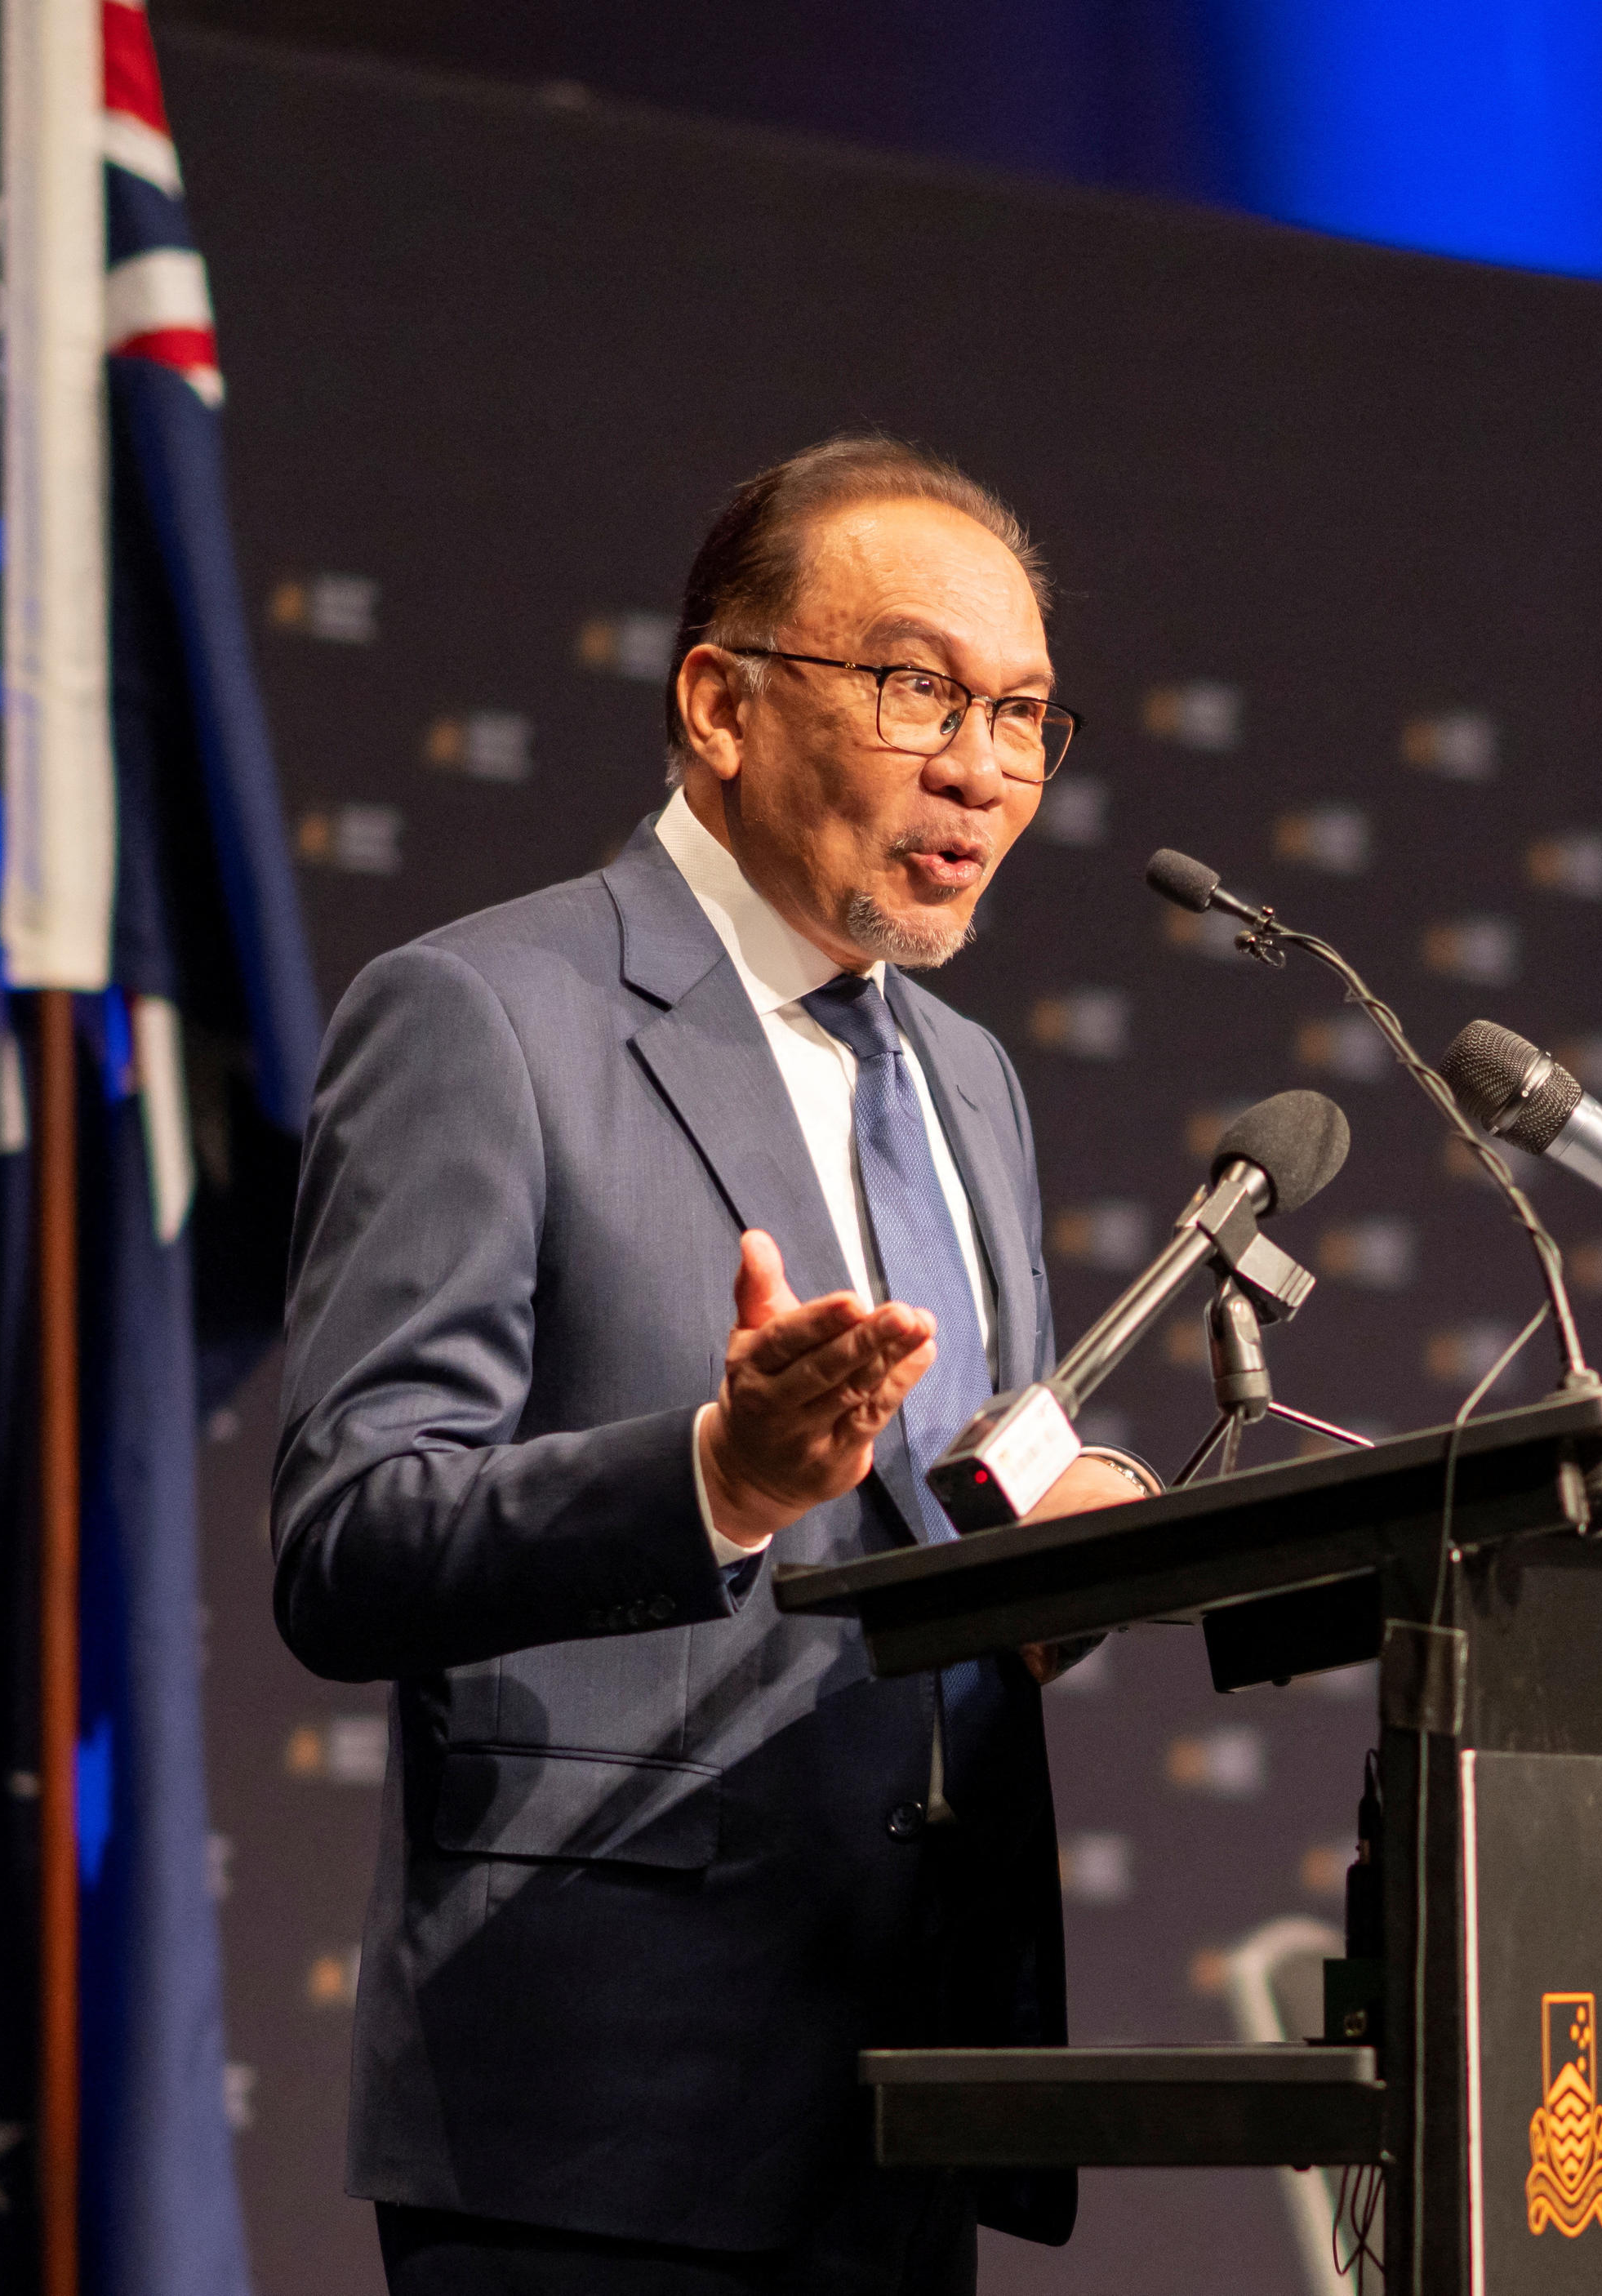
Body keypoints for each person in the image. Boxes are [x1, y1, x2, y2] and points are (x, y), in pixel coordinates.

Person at [274, 434, 1156, 2295]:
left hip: (910, 2092)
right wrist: (715, 1481)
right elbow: (346, 1536)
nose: (981, 767)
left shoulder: (968, 1076)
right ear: (721, 702)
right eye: (916, 686)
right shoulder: (486, 1017)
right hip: (602, 2129)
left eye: (1020, 710)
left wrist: (1070, 1542)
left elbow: (941, 1498)